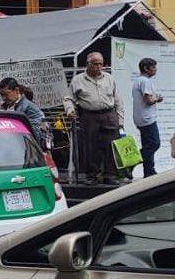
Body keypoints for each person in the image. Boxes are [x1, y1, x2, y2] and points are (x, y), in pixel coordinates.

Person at [68, 51, 123, 185]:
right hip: (89, 116)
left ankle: (110, 175)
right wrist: (70, 110)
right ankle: (91, 175)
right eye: (95, 64)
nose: (99, 67)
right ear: (88, 64)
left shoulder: (109, 78)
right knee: (90, 147)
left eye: (101, 64)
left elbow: (118, 101)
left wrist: (121, 121)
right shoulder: (78, 80)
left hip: (109, 114)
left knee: (111, 146)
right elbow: (69, 98)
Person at [132, 56, 164, 178]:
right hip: (147, 118)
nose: (155, 70)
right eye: (153, 67)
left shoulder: (138, 80)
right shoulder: (145, 81)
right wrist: (158, 98)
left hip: (141, 118)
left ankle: (149, 171)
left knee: (148, 144)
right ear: (146, 68)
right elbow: (148, 100)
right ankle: (135, 160)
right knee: (154, 144)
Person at [0, 77, 46, 146]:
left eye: (6, 94)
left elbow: (36, 134)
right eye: (2, 95)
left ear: (16, 90)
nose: (3, 98)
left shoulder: (30, 107)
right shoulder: (4, 108)